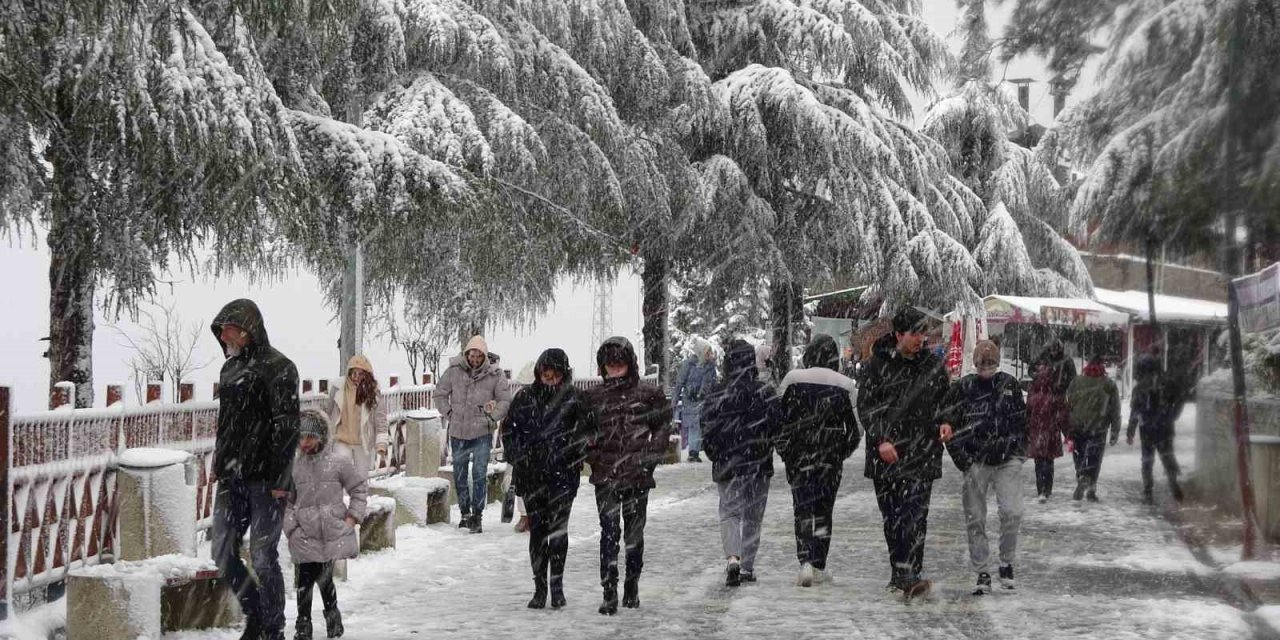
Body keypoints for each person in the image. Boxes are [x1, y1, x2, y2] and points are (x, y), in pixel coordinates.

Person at [210, 299, 299, 640]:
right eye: (219, 330)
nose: (222, 334)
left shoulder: (280, 367)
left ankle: (272, 627)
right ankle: (256, 615)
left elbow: (286, 426)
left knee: (263, 555)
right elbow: (226, 424)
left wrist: (281, 478)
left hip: (266, 479)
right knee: (221, 550)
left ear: (246, 329)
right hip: (232, 476)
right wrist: (219, 463)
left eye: (227, 328)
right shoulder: (229, 369)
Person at [858, 307, 952, 599]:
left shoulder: (932, 366)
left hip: (922, 452)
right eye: (914, 333)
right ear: (898, 334)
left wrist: (947, 422)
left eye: (923, 333)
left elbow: (946, 401)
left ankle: (910, 572)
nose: (920, 339)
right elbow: (867, 407)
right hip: (888, 455)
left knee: (916, 516)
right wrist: (881, 440)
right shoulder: (876, 365)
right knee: (894, 518)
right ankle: (901, 572)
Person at [582, 336, 671, 615]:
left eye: (619, 364)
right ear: (603, 367)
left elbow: (662, 428)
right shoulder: (593, 398)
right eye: (610, 365)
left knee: (634, 536)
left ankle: (631, 586)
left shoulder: (648, 394)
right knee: (608, 535)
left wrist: (648, 459)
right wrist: (593, 456)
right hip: (606, 477)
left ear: (629, 364)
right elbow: (582, 432)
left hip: (637, 476)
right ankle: (609, 591)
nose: (615, 369)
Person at [502, 349, 588, 610]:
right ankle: (539, 588)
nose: (550, 379)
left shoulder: (574, 399)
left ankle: (557, 587)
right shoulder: (525, 398)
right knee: (538, 532)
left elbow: (586, 433)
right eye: (545, 374)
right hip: (532, 476)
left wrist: (572, 454)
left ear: (563, 374)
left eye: (555, 375)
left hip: (563, 476)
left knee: (559, 532)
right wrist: (520, 455)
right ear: (539, 372)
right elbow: (509, 431)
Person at [940, 341, 1027, 595]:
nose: (986, 367)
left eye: (990, 362)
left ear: (998, 363)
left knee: (1012, 512)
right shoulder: (964, 387)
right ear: (975, 363)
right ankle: (982, 572)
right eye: (982, 363)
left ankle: (1006, 562)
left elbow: (1022, 422)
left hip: (1007, 459)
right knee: (975, 518)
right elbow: (948, 423)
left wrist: (1018, 451)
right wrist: (964, 461)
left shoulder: (1009, 385)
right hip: (976, 461)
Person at [774, 334, 860, 587]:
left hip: (799, 456)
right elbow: (855, 429)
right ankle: (819, 561)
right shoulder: (845, 384)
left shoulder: (792, 380)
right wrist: (841, 452)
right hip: (829, 458)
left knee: (802, 508)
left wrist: (786, 451)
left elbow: (779, 421)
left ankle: (804, 561)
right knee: (824, 509)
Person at [703, 339, 783, 587]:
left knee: (729, 512)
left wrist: (715, 453)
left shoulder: (717, 392)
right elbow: (777, 427)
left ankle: (733, 558)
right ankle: (747, 566)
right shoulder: (765, 392)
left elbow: (707, 429)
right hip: (758, 463)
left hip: (728, 463)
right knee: (753, 517)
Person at [284, 409, 368, 640]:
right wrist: (291, 529)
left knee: (324, 577)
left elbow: (358, 489)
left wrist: (351, 519)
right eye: (300, 437)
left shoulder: (338, 462)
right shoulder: (294, 466)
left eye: (310, 437)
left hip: (330, 533)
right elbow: (286, 503)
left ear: (321, 436)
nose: (305, 442)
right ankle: (303, 625)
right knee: (303, 580)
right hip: (303, 533)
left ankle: (332, 616)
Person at [433, 335, 513, 534]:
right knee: (459, 475)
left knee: (479, 474)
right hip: (458, 432)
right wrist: (449, 413)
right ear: (466, 354)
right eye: (472, 355)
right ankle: (464, 513)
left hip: (482, 433)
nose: (475, 359)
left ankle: (477, 515)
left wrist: (491, 418)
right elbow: (440, 393)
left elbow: (504, 400)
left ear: (484, 356)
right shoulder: (453, 371)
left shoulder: (495, 375)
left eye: (479, 356)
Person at [1127, 354, 1186, 504]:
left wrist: (1131, 430)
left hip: (1149, 429)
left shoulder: (1141, 388)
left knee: (1148, 460)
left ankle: (1149, 491)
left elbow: (1135, 410)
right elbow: (1179, 400)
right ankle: (1171, 484)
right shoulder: (1165, 384)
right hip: (1162, 428)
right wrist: (1171, 415)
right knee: (1166, 457)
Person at [1065, 355, 1122, 502]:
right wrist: (1115, 430)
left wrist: (1069, 424)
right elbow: (1115, 409)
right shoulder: (1108, 384)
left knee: (1079, 455)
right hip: (1099, 427)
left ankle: (1082, 476)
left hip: (1078, 425)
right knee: (1095, 459)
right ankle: (1091, 487)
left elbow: (1068, 404)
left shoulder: (1077, 382)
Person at [326, 355, 389, 475]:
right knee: (342, 474)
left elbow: (380, 417)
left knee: (361, 478)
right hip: (342, 439)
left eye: (360, 374)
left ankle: (359, 494)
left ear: (367, 375)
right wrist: (325, 437)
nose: (356, 377)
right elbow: (329, 413)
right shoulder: (338, 388)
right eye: (353, 373)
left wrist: (381, 443)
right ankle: (342, 494)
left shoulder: (373, 391)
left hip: (363, 441)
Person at [1027, 362, 1070, 503]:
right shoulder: (1055, 391)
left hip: (1037, 430)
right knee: (1049, 461)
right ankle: (1048, 488)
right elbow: (1062, 413)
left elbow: (1027, 411)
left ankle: (1041, 490)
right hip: (1051, 431)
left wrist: (1026, 430)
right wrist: (1067, 432)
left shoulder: (1033, 389)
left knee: (1038, 462)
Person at [672, 338, 717, 462]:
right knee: (694, 425)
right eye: (707, 352)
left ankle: (702, 449)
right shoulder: (689, 364)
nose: (710, 355)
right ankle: (693, 452)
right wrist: (674, 402)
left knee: (702, 425)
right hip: (691, 401)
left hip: (706, 400)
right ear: (701, 352)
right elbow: (680, 383)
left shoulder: (711, 366)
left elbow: (713, 383)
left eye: (710, 352)